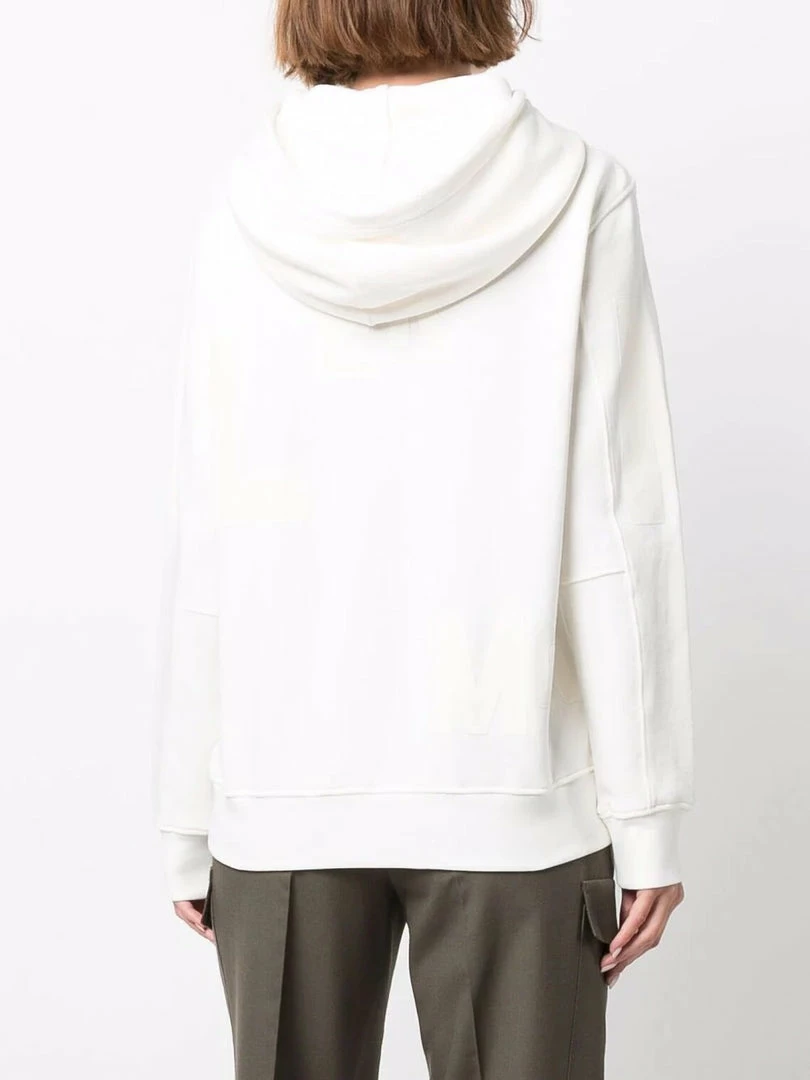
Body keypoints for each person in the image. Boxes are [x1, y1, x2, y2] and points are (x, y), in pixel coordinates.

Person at [155, 2, 694, 1077]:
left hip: (282, 789)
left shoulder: (245, 200)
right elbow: (619, 522)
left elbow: (209, 516)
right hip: (515, 790)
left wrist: (185, 810)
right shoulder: (577, 187)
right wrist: (648, 817)